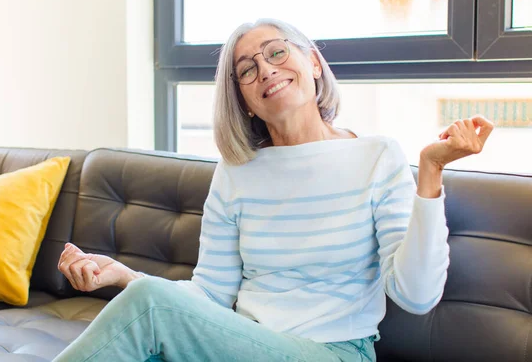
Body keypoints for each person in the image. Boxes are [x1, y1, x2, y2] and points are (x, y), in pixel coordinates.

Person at [53, 19, 494, 362]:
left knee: (149, 309)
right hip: (241, 344)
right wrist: (123, 276)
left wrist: (431, 170)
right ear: (244, 99)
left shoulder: (377, 157)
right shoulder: (238, 171)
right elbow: (209, 296)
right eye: (247, 69)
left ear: (314, 63)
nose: (266, 69)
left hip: (332, 352)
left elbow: (416, 296)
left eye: (277, 52)